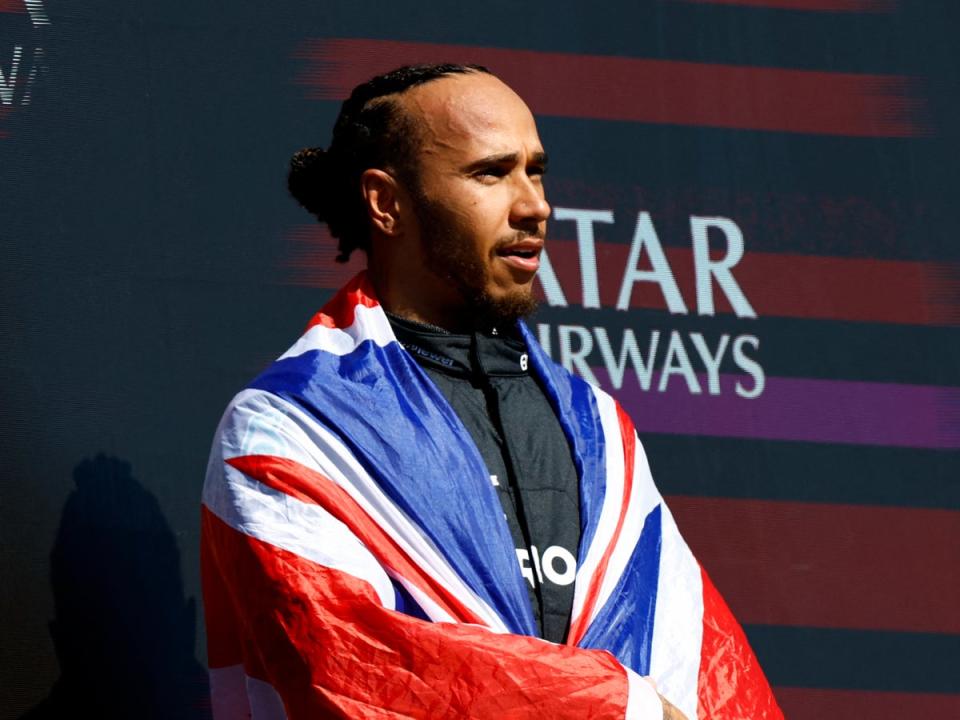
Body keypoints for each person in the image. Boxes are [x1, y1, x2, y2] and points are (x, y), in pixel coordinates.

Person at [200, 63, 782, 720]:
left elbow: (703, 668)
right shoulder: (288, 430)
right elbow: (352, 665)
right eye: (491, 173)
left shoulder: (597, 429)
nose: (535, 203)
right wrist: (617, 708)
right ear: (386, 202)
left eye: (535, 170)